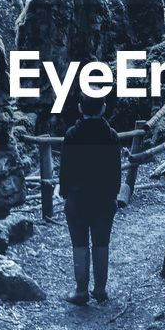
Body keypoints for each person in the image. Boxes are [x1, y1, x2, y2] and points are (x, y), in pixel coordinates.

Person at [59, 91, 122, 305]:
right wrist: (114, 195)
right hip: (104, 198)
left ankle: (81, 291)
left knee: (79, 243)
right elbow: (116, 170)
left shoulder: (72, 135)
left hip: (77, 199)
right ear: (104, 108)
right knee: (101, 242)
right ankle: (100, 289)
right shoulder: (112, 135)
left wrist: (64, 193)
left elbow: (65, 170)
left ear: (80, 108)